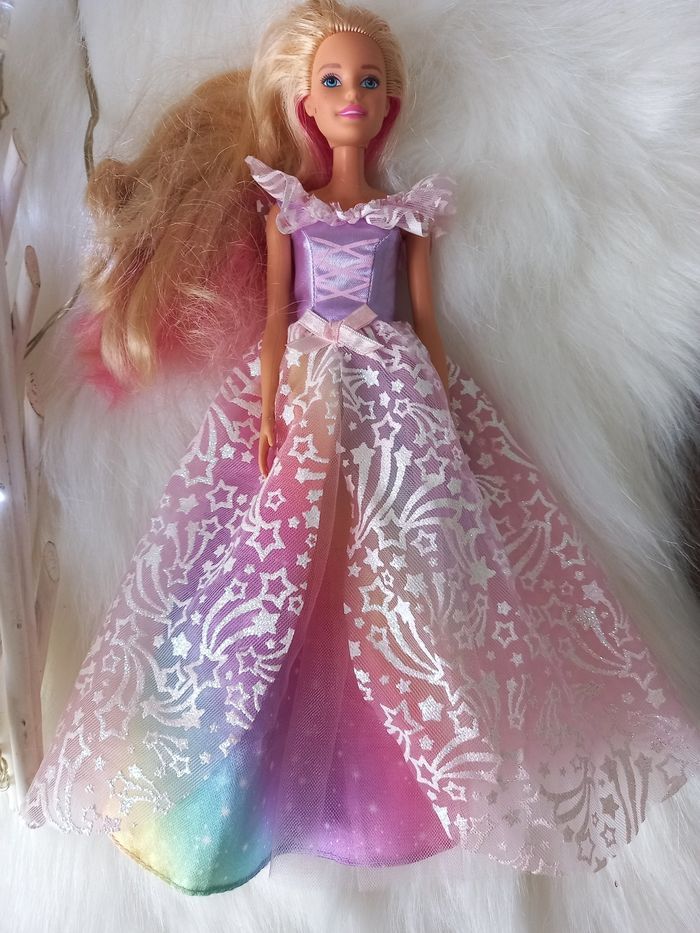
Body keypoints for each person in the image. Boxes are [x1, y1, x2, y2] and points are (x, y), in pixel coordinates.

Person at [18, 0, 700, 897]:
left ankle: (419, 752)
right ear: (305, 101)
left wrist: (444, 407)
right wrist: (267, 405)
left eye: (368, 81)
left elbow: (424, 321)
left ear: (390, 102)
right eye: (335, 80)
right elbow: (276, 317)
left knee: (403, 560)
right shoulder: (289, 210)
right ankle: (246, 759)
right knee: (275, 563)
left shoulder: (404, 213)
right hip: (305, 381)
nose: (352, 95)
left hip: (393, 385)